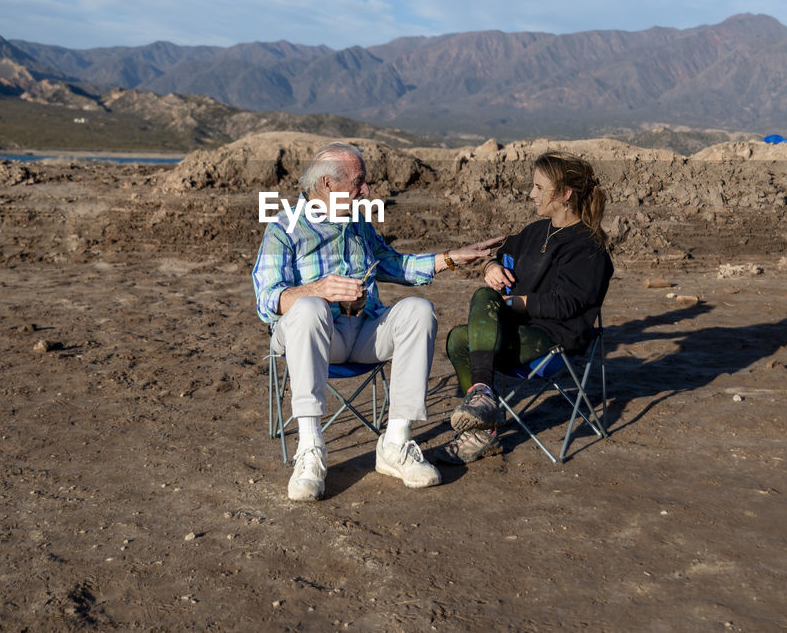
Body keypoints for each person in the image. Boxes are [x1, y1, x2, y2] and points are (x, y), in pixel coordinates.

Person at [253, 142, 504, 501]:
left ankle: (396, 444)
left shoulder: (358, 224)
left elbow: (393, 264)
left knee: (418, 310)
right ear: (328, 183)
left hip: (364, 331)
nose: (367, 191)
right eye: (359, 182)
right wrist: (317, 290)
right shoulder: (283, 228)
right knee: (309, 308)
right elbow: (267, 302)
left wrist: (450, 258)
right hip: (314, 337)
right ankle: (310, 450)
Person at [434, 151, 613, 464]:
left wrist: (513, 303)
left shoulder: (588, 246)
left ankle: (482, 405)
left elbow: (567, 303)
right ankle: (484, 418)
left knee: (484, 300)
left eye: (539, 188)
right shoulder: (534, 232)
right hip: (516, 330)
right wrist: (490, 266)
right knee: (458, 338)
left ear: (565, 194)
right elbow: (502, 253)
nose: (531, 194)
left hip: (554, 341)